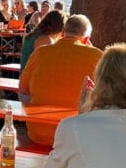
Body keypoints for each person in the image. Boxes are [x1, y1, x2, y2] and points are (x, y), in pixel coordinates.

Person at [19, 14, 103, 146]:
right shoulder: (97, 56)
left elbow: (23, 89)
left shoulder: (41, 52)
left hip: (38, 132)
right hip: (76, 136)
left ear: (63, 33)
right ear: (86, 39)